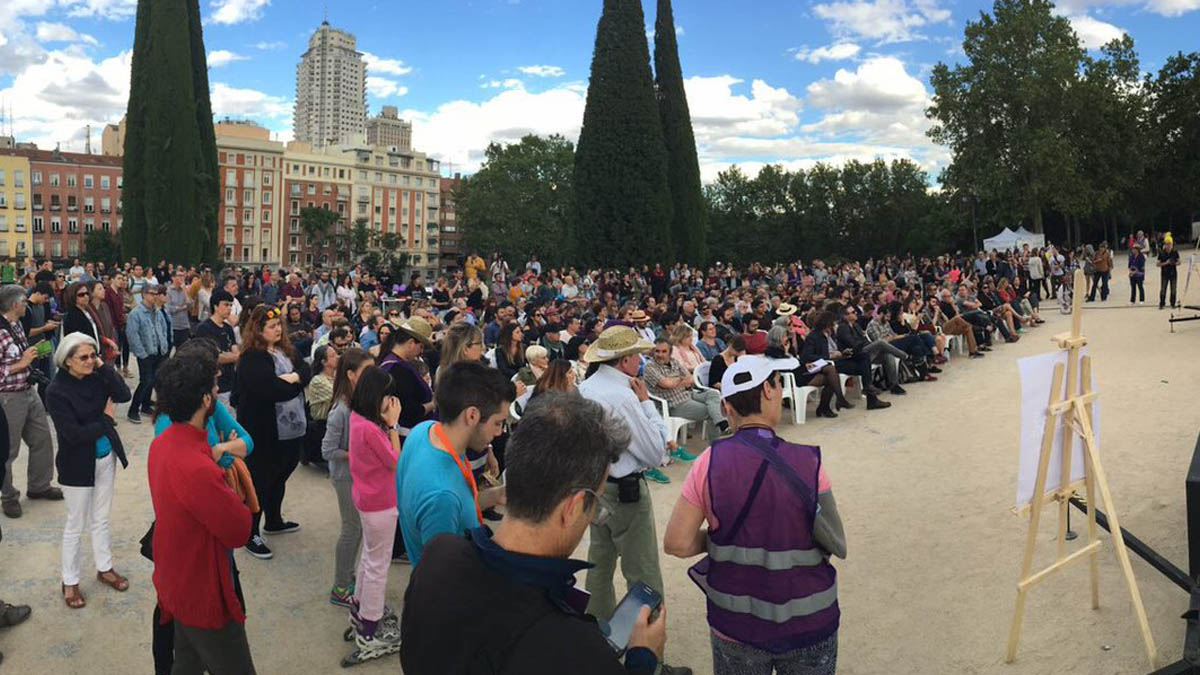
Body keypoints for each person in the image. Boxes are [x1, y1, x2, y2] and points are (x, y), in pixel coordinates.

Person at [401, 392, 682, 675]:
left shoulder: (439, 555)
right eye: (595, 502)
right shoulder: (573, 649)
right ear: (572, 508)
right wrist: (643, 659)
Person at [664, 354, 845, 675]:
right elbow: (834, 540)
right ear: (768, 392)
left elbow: (677, 543)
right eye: (776, 383)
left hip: (736, 623)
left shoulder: (708, 462)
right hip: (810, 617)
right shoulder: (808, 464)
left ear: (727, 409)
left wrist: (719, 541)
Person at [148, 350, 256, 674]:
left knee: (187, 662)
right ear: (207, 399)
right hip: (202, 588)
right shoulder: (197, 465)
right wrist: (224, 458)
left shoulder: (163, 442)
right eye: (214, 386)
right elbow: (240, 530)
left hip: (176, 580)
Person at [577, 326, 671, 618]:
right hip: (625, 491)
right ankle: (650, 659)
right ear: (624, 360)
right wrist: (646, 404)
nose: (641, 360)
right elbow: (655, 452)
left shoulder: (584, 387)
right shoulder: (624, 395)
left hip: (594, 486)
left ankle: (595, 638)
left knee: (599, 566)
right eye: (636, 355)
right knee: (643, 573)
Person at [45, 332, 132, 609]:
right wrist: (105, 420)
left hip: (106, 458)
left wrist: (104, 365)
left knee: (101, 518)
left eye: (92, 355)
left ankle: (104, 568)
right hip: (77, 466)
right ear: (67, 360)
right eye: (83, 357)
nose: (89, 361)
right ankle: (70, 581)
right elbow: (72, 434)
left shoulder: (97, 376)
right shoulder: (56, 391)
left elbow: (123, 393)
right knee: (75, 524)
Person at [395, 361, 512, 567]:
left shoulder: (424, 431)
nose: (500, 432)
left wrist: (495, 495)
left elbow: (459, 510)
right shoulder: (442, 496)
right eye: (498, 422)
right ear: (472, 415)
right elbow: (440, 576)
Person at [235, 305, 311, 560]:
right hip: (265, 431)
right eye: (271, 326)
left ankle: (274, 520)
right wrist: (295, 381)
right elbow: (271, 390)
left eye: (279, 324)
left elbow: (306, 370)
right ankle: (250, 533)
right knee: (260, 480)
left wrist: (294, 377)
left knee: (281, 474)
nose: (278, 329)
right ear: (258, 329)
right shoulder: (252, 357)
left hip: (291, 429)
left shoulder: (285, 349)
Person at [344, 365, 405, 655]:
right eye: (387, 395)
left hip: (366, 499)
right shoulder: (372, 429)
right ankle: (370, 627)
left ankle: (359, 608)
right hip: (381, 503)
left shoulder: (357, 418)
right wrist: (393, 425)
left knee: (369, 558)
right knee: (379, 565)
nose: (390, 401)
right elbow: (397, 462)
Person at [0, 284, 62, 518]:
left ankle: (39, 486)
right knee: (8, 450)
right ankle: (8, 496)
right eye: (24, 302)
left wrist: (33, 352)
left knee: (42, 439)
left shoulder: (15, 325)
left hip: (28, 390)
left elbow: (19, 353)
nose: (27, 305)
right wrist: (22, 363)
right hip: (8, 397)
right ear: (15, 305)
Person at [322, 347, 374, 609]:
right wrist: (357, 454)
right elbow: (327, 450)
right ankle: (340, 586)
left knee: (358, 529)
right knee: (351, 529)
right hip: (345, 477)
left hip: (358, 475)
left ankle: (348, 576)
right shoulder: (340, 409)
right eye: (366, 371)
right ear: (351, 375)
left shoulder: (358, 401)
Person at [644, 338, 729, 442]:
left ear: (670, 353)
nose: (660, 354)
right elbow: (667, 384)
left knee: (713, 394)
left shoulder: (674, 361)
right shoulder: (650, 367)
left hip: (688, 393)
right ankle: (716, 446)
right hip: (674, 403)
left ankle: (722, 425)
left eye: (664, 351)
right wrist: (680, 379)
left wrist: (674, 381)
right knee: (713, 412)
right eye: (657, 351)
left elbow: (691, 379)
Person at [126, 284, 170, 423]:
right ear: (144, 294)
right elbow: (132, 335)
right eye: (151, 293)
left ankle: (145, 405)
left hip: (158, 351)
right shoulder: (136, 313)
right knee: (145, 381)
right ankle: (133, 409)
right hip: (145, 353)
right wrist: (141, 353)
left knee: (154, 379)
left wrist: (164, 345)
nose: (154, 296)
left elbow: (163, 329)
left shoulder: (157, 312)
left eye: (156, 293)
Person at [193, 290, 239, 408]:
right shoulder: (204, 328)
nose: (229, 308)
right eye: (226, 304)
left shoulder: (228, 328)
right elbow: (214, 357)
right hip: (215, 385)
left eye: (230, 305)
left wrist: (230, 356)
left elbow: (235, 351)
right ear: (216, 306)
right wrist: (231, 356)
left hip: (231, 382)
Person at [303, 344, 338, 467]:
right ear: (324, 362)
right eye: (333, 356)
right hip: (322, 424)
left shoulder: (334, 377)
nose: (337, 357)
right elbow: (339, 395)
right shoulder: (318, 380)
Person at [166, 270, 192, 348]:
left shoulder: (186, 289)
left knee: (183, 350)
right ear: (173, 278)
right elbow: (168, 308)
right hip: (173, 325)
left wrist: (185, 290)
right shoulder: (168, 290)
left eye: (183, 276)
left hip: (184, 325)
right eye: (179, 276)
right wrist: (180, 307)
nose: (181, 278)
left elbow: (190, 305)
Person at [1159, 238, 1180, 310]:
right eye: (1166, 244)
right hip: (1164, 273)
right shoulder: (1162, 252)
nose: (1168, 246)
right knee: (1163, 289)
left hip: (1173, 273)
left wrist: (1174, 263)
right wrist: (1166, 263)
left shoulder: (1175, 252)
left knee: (1173, 289)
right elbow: (1158, 264)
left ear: (1172, 245)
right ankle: (1162, 303)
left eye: (1169, 244)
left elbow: (1179, 262)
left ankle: (1173, 303)